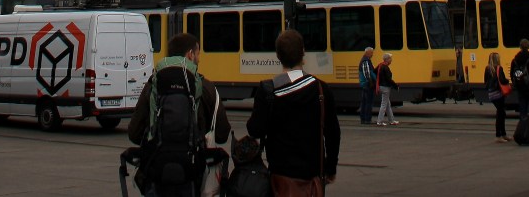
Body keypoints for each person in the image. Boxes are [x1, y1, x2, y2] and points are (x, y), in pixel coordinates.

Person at [128, 31, 230, 196]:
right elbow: (222, 134)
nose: (199, 58)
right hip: (192, 171)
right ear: (190, 55)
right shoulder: (207, 87)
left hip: (157, 171)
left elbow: (134, 133)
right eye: (198, 54)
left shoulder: (152, 85)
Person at [247, 28, 340, 193]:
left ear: (277, 56)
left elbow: (255, 129)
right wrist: (330, 168)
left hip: (280, 177)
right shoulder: (321, 89)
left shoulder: (268, 91)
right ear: (303, 53)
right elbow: (332, 133)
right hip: (313, 177)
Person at [484, 51, 509, 142]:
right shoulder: (499, 68)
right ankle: (499, 135)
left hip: (491, 94)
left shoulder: (487, 69)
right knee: (501, 114)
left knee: (501, 112)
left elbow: (485, 82)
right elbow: (502, 80)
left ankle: (503, 134)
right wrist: (508, 81)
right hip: (498, 93)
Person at [375, 53, 399, 127]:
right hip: (385, 88)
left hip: (381, 86)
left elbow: (374, 72)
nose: (391, 60)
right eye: (390, 58)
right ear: (387, 59)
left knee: (387, 104)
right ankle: (379, 121)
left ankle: (391, 120)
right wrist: (396, 86)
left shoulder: (380, 65)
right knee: (384, 104)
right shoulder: (385, 67)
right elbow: (389, 79)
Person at [358, 47, 375, 125]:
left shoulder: (366, 60)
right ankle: (367, 119)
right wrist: (371, 82)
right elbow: (367, 74)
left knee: (365, 102)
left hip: (365, 84)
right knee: (368, 103)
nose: (372, 54)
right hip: (367, 85)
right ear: (367, 53)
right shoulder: (365, 61)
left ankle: (364, 119)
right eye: (371, 53)